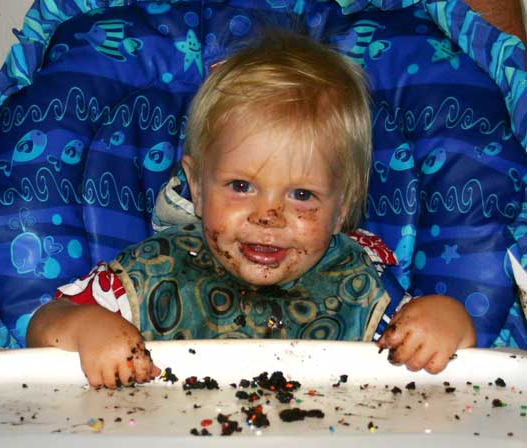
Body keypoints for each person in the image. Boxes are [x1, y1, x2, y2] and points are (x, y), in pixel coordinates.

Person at [26, 30, 476, 389]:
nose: (269, 216)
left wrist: (447, 319)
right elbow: (45, 324)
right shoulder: (151, 275)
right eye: (241, 186)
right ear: (197, 187)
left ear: (342, 210)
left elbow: (432, 345)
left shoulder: (357, 286)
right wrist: (86, 328)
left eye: (302, 195)